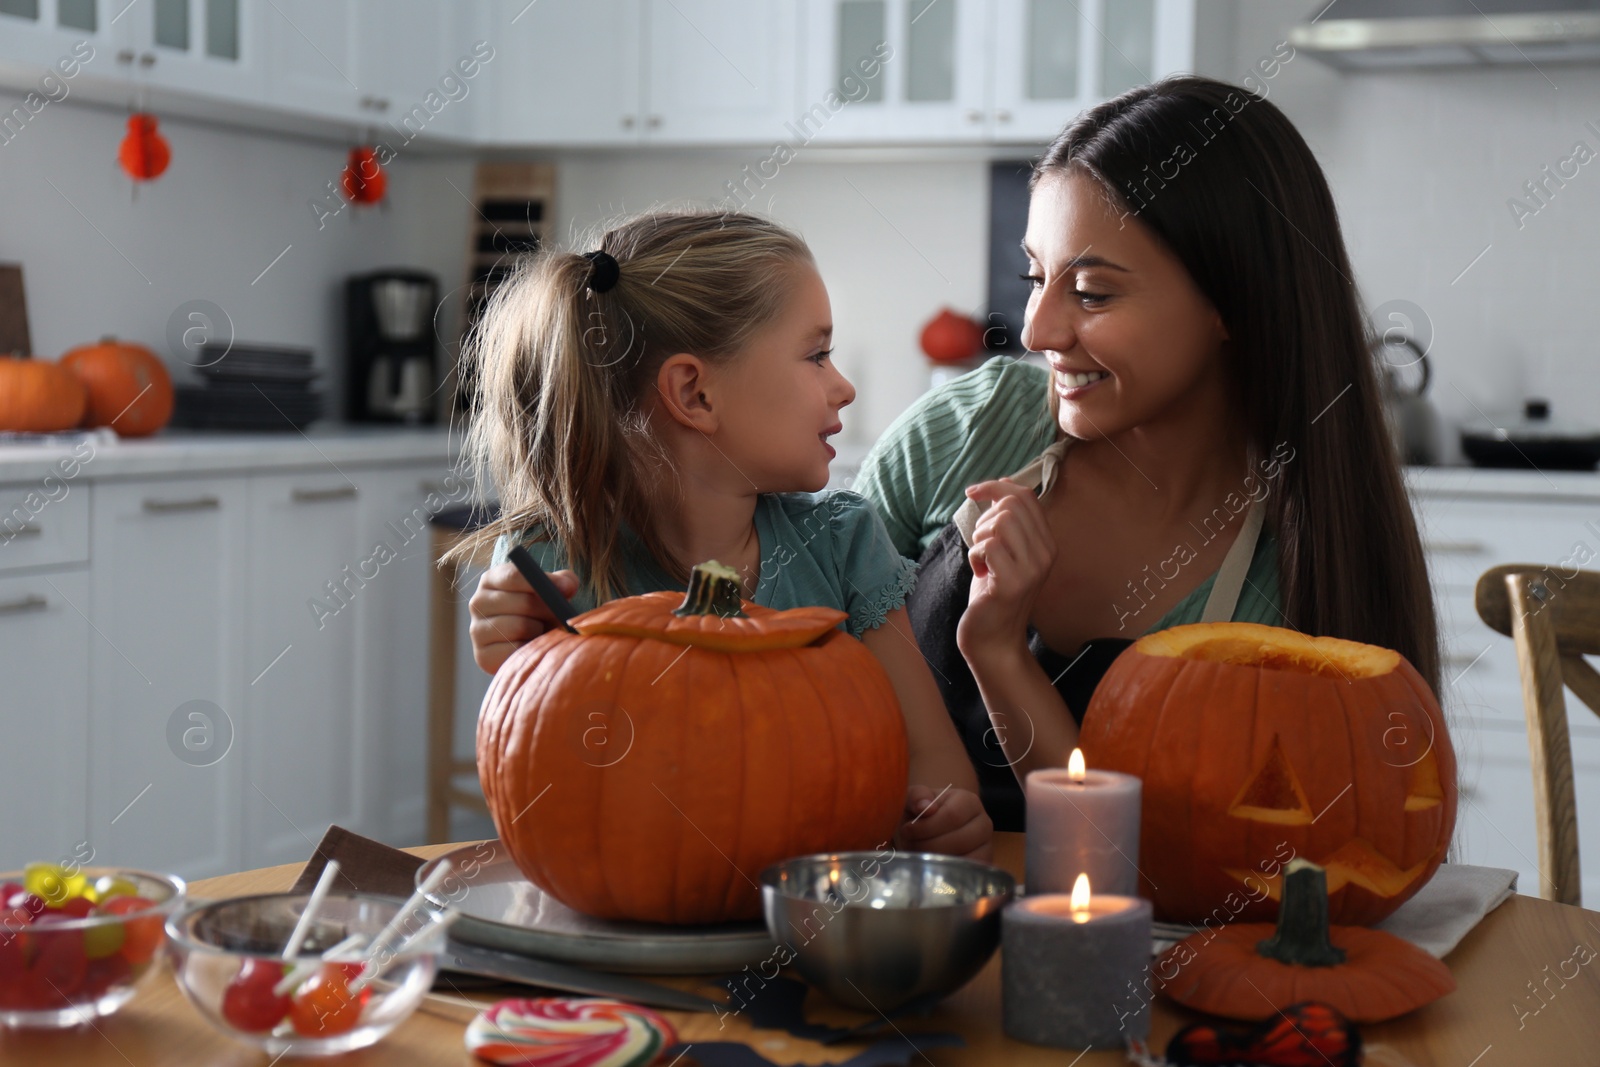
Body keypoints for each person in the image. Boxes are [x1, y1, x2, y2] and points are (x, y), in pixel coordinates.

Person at [854, 75, 1440, 831]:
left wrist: (999, 651)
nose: (1038, 332)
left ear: (1234, 303)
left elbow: (1146, 862)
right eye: (1036, 278)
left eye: (1093, 294)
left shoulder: (1292, 580)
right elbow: (800, 648)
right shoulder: (969, 425)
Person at [456, 210, 991, 860]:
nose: (843, 386)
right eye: (817, 355)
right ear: (695, 393)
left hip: (810, 924)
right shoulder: (559, 574)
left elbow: (938, 768)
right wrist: (521, 661)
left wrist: (944, 816)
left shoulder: (844, 544)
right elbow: (550, 799)